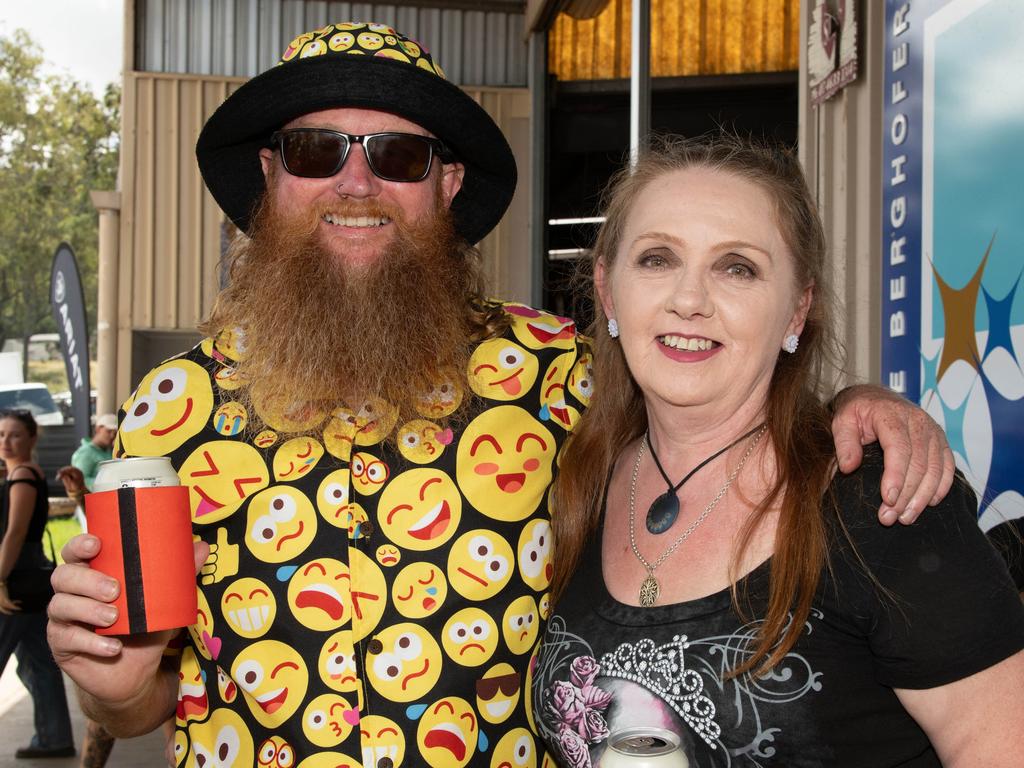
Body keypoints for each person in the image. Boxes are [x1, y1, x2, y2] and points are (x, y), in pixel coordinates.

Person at [46, 24, 952, 766]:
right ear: (271, 179)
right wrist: (115, 688)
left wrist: (854, 405)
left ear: (447, 184)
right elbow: (140, 699)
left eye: (398, 156)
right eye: (317, 150)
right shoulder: (171, 411)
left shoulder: (561, 376)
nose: (355, 183)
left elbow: (720, 389)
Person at [534, 134, 1024, 767]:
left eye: (738, 267)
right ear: (606, 288)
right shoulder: (581, 474)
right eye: (657, 258)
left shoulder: (880, 500)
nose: (689, 300)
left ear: (797, 310)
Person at [0, 409, 76, 760]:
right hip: (28, 581)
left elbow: (15, 533)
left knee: (33, 662)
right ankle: (53, 738)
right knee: (37, 663)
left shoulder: (24, 476)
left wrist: (0, 580)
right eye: (1, 434)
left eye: (14, 434)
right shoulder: (18, 473)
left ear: (32, 438)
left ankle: (53, 737)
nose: (5, 441)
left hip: (15, 578)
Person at [70, 414, 118, 491]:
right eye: (109, 431)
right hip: (90, 500)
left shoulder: (109, 451)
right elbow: (79, 480)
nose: (112, 436)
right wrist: (107, 483)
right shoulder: (86, 452)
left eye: (115, 433)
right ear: (98, 429)